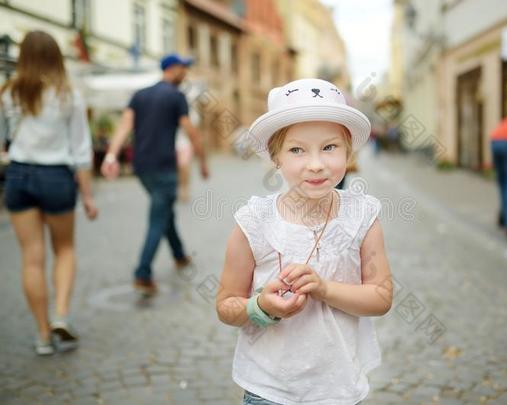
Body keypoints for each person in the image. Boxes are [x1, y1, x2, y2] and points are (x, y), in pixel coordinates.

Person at [216, 78, 393, 405]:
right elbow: (227, 305)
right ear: (276, 156)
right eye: (297, 149)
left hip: (338, 389)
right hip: (268, 388)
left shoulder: (362, 217)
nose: (316, 164)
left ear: (348, 151)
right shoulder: (254, 222)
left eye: (329, 147)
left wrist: (325, 289)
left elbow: (381, 297)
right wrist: (262, 306)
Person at [0, 31, 98, 355]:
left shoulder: (9, 93)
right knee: (65, 249)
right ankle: (61, 316)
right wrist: (87, 197)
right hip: (56, 176)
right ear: (56, 56)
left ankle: (42, 335)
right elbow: (81, 151)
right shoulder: (68, 94)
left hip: (18, 175)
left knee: (31, 258)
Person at [101, 53, 209, 296]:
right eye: (184, 68)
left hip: (142, 168)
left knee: (164, 210)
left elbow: (124, 125)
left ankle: (179, 255)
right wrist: (202, 161)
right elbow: (191, 133)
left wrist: (111, 156)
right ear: (172, 69)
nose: (186, 73)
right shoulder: (177, 96)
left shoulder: (139, 95)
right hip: (164, 168)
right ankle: (142, 273)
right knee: (158, 217)